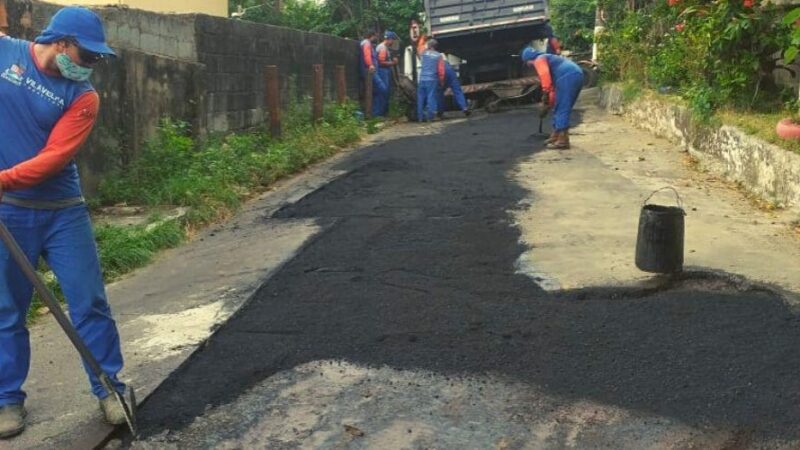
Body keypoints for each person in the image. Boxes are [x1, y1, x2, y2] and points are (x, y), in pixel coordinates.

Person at [0, 6, 126, 438]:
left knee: (89, 301)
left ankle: (109, 388)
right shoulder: (5, 55)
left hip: (62, 212)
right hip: (7, 212)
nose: (90, 66)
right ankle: (6, 401)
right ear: (61, 42)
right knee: (5, 310)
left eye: (95, 60)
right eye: (87, 56)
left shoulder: (84, 96)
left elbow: (54, 159)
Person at [522, 47, 583, 149]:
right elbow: (553, 92)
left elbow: (545, 77)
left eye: (528, 63)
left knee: (562, 107)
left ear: (528, 60)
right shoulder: (548, 58)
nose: (529, 66)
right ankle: (556, 135)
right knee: (559, 105)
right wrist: (548, 105)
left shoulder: (539, 60)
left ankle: (563, 140)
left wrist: (545, 93)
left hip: (568, 76)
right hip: (575, 74)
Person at [360, 30, 387, 117]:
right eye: (375, 36)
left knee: (375, 91)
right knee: (382, 88)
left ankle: (375, 113)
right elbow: (367, 55)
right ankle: (376, 113)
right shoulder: (367, 43)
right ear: (372, 35)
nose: (375, 38)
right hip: (370, 71)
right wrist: (370, 65)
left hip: (369, 70)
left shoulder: (366, 43)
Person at [417, 39, 445, 122]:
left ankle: (420, 117)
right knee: (431, 96)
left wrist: (422, 37)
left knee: (421, 98)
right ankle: (430, 116)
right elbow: (441, 71)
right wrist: (442, 80)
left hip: (422, 78)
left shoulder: (423, 53)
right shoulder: (438, 56)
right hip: (432, 79)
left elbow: (419, 47)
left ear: (429, 46)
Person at [376, 30, 400, 117]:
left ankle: (382, 113)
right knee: (384, 92)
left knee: (385, 92)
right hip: (382, 72)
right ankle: (380, 114)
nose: (392, 42)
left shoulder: (383, 47)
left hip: (384, 72)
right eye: (392, 40)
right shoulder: (382, 48)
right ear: (389, 39)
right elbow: (381, 62)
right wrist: (393, 63)